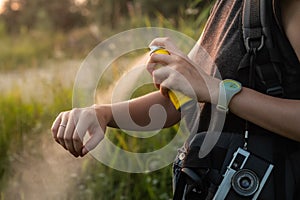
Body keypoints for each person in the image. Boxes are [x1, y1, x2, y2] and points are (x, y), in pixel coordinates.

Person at [51, 0, 300, 199]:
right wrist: (103, 113)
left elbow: (206, 88)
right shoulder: (226, 6)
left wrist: (217, 90)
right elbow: (178, 102)